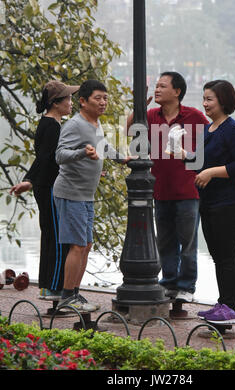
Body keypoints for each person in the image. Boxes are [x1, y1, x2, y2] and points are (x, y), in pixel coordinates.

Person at [127, 71, 209, 303]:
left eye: (163, 86)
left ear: (177, 91)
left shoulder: (194, 116)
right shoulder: (151, 115)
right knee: (164, 241)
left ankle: (186, 286)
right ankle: (169, 282)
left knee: (188, 243)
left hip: (188, 191)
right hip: (160, 190)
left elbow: (210, 143)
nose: (157, 89)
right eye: (157, 86)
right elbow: (131, 132)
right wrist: (140, 106)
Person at [53, 79, 129, 312]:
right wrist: (81, 154)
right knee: (77, 245)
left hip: (86, 194)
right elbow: (60, 155)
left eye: (105, 98)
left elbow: (102, 146)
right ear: (83, 101)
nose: (103, 102)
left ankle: (75, 293)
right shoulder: (74, 125)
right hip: (70, 192)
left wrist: (122, 159)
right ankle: (66, 297)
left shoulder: (94, 124)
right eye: (98, 98)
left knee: (86, 244)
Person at [183, 79, 235, 324]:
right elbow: (198, 163)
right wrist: (183, 155)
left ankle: (232, 307)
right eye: (204, 98)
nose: (205, 103)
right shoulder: (208, 129)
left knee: (229, 256)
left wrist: (212, 172)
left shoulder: (232, 130)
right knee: (219, 257)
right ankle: (222, 303)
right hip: (209, 203)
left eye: (209, 99)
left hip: (229, 204)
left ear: (223, 101)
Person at [9, 80, 80, 300]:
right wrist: (30, 181)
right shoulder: (51, 126)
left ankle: (48, 286)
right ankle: (54, 288)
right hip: (49, 187)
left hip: (47, 185)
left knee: (52, 235)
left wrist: (29, 179)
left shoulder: (50, 124)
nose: (71, 102)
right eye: (67, 99)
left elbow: (47, 159)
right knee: (58, 237)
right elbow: (45, 159)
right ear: (55, 103)